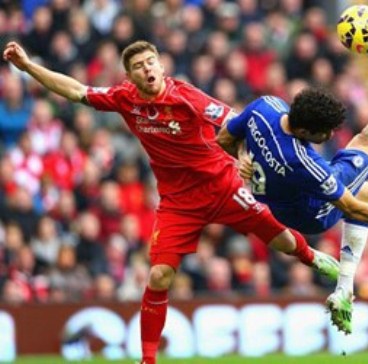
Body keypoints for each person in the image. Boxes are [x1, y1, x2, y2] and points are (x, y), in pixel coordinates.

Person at [3, 40, 340, 364]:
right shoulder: (125, 98)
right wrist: (29, 66)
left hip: (221, 184)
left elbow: (238, 123)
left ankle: (315, 259)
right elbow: (76, 90)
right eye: (138, 66)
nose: (146, 69)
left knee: (281, 240)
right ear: (130, 76)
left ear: (162, 66)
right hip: (179, 202)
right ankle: (148, 360)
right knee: (159, 276)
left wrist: (242, 155)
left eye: (151, 62)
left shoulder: (188, 97)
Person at [216, 11, 368, 334]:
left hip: (276, 197)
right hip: (309, 213)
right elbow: (348, 208)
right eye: (325, 133)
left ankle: (344, 290)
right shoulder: (306, 164)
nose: (329, 137)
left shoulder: (265, 106)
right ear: (308, 131)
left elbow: (224, 137)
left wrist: (244, 155)